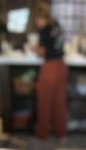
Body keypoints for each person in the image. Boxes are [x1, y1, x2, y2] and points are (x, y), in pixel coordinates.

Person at [32, 2, 67, 139]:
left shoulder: (44, 30)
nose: (37, 23)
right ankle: (61, 133)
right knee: (60, 102)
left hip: (50, 67)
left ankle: (42, 134)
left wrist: (34, 48)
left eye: (36, 20)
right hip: (62, 66)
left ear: (40, 18)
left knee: (44, 101)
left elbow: (42, 51)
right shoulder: (56, 26)